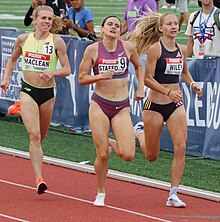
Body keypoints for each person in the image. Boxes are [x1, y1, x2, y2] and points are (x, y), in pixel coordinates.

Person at [129, 12, 202, 207]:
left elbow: (185, 72)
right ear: (161, 28)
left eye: (174, 24)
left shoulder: (182, 49)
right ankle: (139, 132)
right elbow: (147, 78)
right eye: (168, 24)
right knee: (152, 156)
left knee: (181, 146)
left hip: (175, 105)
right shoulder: (155, 49)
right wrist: (167, 92)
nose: (173, 26)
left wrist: (193, 84)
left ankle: (173, 194)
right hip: (154, 106)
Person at [1, 5, 71, 194]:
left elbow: (67, 69)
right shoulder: (23, 39)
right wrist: (6, 78)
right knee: (34, 136)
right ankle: (39, 179)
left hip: (47, 94)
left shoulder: (57, 42)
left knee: (41, 137)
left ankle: (19, 108)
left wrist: (53, 72)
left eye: (50, 19)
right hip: (28, 91)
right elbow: (13, 59)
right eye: (44, 18)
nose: (47, 22)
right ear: (35, 19)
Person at [78, 15, 145, 206]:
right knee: (102, 154)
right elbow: (82, 78)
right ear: (102, 28)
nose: (114, 27)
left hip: (121, 106)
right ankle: (101, 192)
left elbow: (139, 67)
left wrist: (140, 88)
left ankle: (104, 140)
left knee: (128, 154)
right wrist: (99, 76)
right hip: (100, 104)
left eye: (117, 25)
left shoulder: (127, 47)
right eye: (110, 24)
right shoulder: (92, 50)